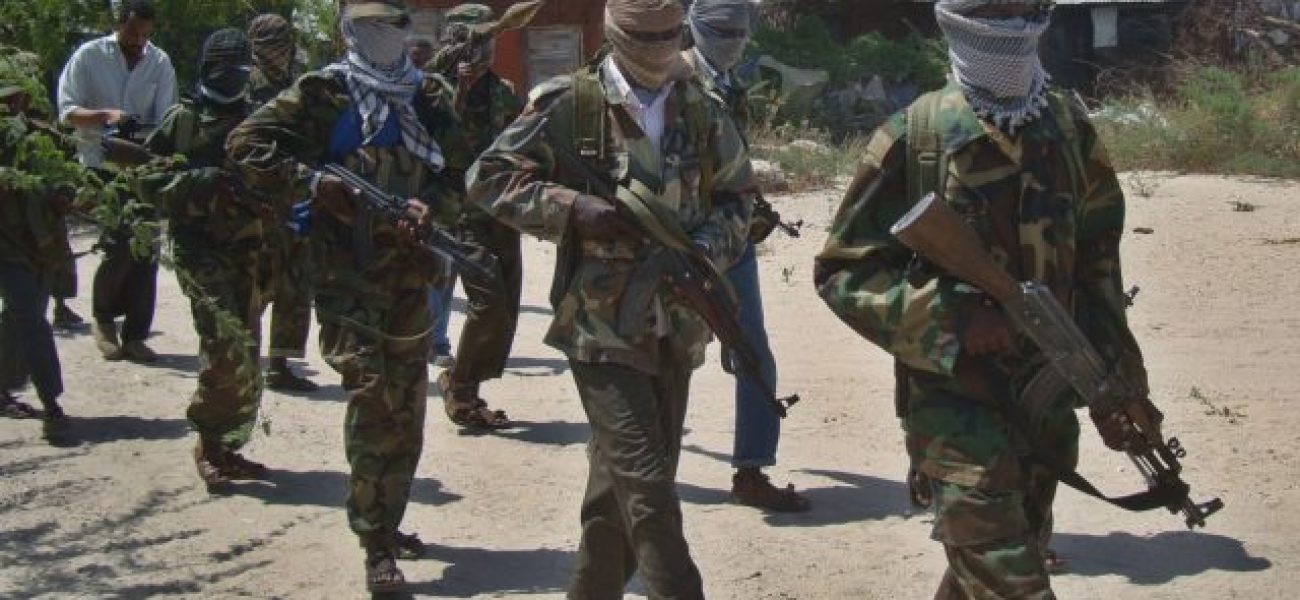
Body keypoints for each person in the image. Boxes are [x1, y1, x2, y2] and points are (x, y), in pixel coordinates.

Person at [814, 0, 1156, 596]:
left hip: (1044, 417)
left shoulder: (1070, 132)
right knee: (1011, 584)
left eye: (1024, 26)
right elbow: (843, 272)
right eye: (995, 31)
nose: (1012, 43)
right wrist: (951, 316)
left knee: (988, 570)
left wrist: (1120, 385)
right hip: (956, 416)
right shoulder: (914, 138)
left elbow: (1100, 270)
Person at [467, 0, 754, 596]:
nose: (656, 48)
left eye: (667, 36)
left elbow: (738, 199)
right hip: (599, 324)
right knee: (648, 489)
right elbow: (488, 178)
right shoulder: (570, 103)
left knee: (614, 499)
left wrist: (702, 250)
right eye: (643, 37)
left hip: (676, 321)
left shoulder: (702, 107)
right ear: (614, 33)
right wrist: (572, 208)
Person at [227, 0, 473, 591]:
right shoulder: (323, 94)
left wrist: (429, 206)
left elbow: (464, 172)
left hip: (410, 276)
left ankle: (387, 516)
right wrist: (314, 182)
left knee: (408, 408)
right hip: (343, 275)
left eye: (393, 26)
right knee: (371, 398)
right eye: (370, 28)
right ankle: (375, 540)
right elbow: (244, 144)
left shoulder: (427, 97)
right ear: (348, 32)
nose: (383, 38)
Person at [682, 0, 809, 513]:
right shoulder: (672, 77)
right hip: (679, 244)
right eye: (721, 30)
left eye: (740, 30)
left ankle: (751, 470)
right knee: (662, 359)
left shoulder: (731, 81)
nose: (733, 38)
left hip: (730, 240)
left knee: (751, 353)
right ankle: (632, 468)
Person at [135, 29, 273, 488]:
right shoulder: (183, 121)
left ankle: (230, 444)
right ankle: (208, 444)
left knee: (248, 351)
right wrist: (201, 183)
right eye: (224, 69)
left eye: (240, 69)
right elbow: (146, 181)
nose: (233, 78)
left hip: (248, 249)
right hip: (200, 250)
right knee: (223, 346)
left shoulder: (256, 120)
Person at [428, 2, 531, 431]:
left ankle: (466, 381)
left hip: (499, 210)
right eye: (475, 41)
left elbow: (523, 138)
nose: (483, 50)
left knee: (506, 303)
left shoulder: (502, 90)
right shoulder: (433, 89)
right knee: (488, 299)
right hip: (457, 213)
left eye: (488, 41)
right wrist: (457, 87)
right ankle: (461, 387)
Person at [57, 0, 175, 363]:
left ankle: (137, 334)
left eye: (145, 34)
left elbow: (167, 117)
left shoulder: (159, 62)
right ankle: (104, 319)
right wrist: (106, 116)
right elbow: (66, 113)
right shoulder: (89, 56)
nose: (139, 40)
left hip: (143, 167)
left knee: (146, 252)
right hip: (100, 165)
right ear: (119, 24)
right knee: (119, 244)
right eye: (133, 32)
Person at [0, 47, 81, 440]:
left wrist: (67, 196)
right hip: (8, 248)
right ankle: (53, 406)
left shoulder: (44, 140)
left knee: (21, 318)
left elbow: (69, 180)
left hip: (40, 247)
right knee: (31, 319)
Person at [246, 12, 319, 392]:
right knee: (256, 283)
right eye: (270, 42)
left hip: (294, 197)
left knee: (295, 281)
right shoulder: (245, 86)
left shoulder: (298, 84)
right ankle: (247, 358)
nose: (278, 50)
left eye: (283, 41)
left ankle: (280, 362)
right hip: (256, 198)